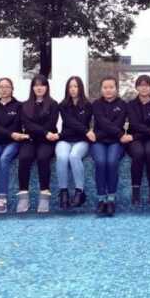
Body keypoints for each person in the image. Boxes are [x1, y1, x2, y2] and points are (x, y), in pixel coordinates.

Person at [0, 78, 27, 216]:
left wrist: (5, 135)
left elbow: (17, 126)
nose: (4, 89)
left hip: (13, 143)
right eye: (1, 87)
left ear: (12, 89)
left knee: (4, 159)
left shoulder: (19, 106)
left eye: (7, 86)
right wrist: (10, 134)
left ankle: (2, 199)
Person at [17, 74, 59, 214]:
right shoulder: (25, 105)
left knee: (43, 158)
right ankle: (23, 195)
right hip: (30, 139)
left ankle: (44, 195)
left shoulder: (53, 104)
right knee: (24, 157)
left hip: (47, 141)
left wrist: (43, 133)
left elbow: (51, 124)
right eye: (36, 85)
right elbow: (27, 124)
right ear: (32, 88)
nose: (39, 88)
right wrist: (44, 132)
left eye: (42, 85)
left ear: (47, 87)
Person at [91, 76, 129, 217]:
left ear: (116, 89)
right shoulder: (96, 104)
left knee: (112, 162)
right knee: (101, 162)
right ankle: (101, 199)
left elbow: (118, 124)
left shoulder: (123, 104)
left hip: (115, 141)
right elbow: (102, 122)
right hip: (99, 142)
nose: (108, 90)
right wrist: (119, 134)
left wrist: (101, 134)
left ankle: (111, 199)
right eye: (105, 87)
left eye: (111, 87)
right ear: (101, 89)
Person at [126, 75, 150, 205]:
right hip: (136, 139)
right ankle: (135, 192)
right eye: (141, 85)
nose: (144, 88)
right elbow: (134, 124)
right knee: (138, 153)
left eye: (147, 85)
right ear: (137, 87)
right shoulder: (131, 105)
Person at [56, 76, 93, 210]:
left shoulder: (88, 105)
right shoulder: (62, 105)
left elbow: (80, 125)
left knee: (74, 156)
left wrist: (84, 132)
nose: (72, 89)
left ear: (80, 88)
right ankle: (63, 192)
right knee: (62, 157)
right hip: (65, 140)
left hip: (81, 141)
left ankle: (79, 191)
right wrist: (85, 131)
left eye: (75, 86)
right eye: (70, 86)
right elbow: (70, 122)